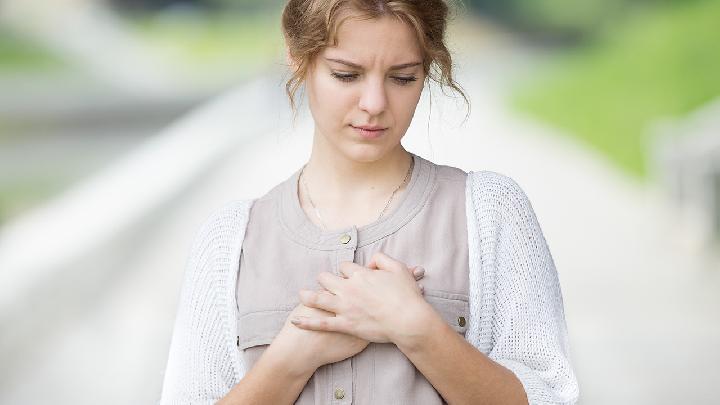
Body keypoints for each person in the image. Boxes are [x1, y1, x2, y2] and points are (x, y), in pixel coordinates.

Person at [159, 0, 579, 404]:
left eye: (402, 78)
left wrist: (419, 331)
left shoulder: (491, 212)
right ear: (297, 58)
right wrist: (288, 361)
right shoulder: (230, 240)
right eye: (346, 75)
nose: (375, 104)